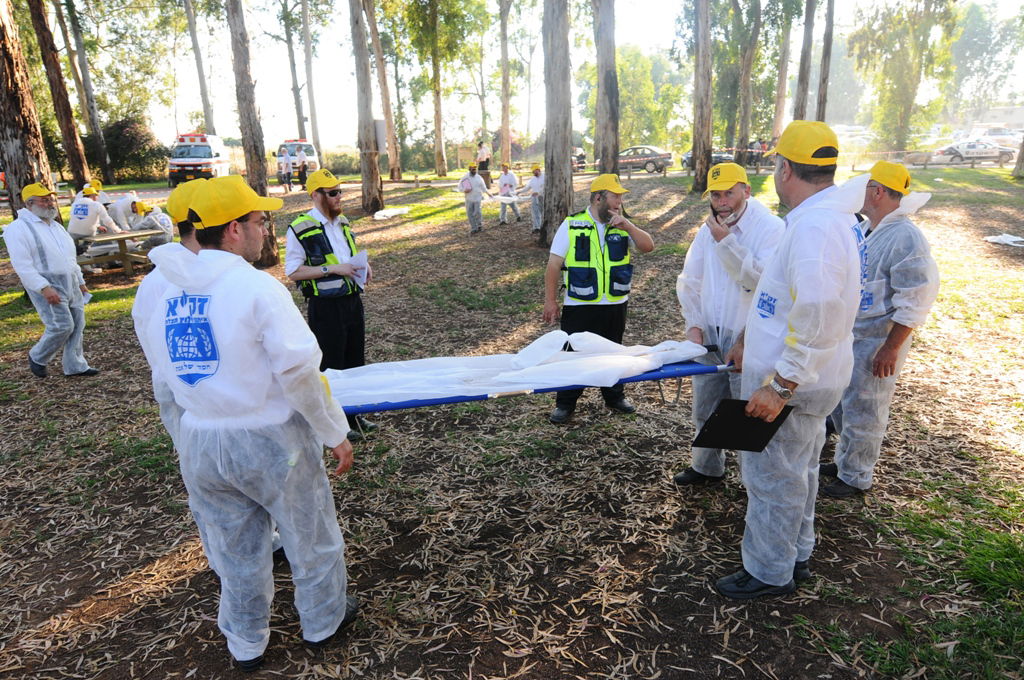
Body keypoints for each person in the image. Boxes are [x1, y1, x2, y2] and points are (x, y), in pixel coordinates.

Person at [133, 175, 359, 673]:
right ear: (233, 230)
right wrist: (333, 432)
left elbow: (162, 371)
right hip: (271, 439)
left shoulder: (160, 287)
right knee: (309, 533)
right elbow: (300, 372)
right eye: (260, 222)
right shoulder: (256, 286)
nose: (265, 231)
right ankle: (323, 623)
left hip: (202, 439)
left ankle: (245, 641)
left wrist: (188, 430)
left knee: (232, 549)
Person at [715, 121, 864, 599]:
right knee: (799, 470)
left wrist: (780, 385)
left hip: (792, 383)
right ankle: (795, 552)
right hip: (811, 378)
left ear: (783, 169)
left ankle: (768, 570)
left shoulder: (816, 225)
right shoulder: (829, 218)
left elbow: (817, 310)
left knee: (774, 477)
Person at [820, 161, 939, 498]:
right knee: (845, 403)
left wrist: (891, 347)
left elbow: (916, 295)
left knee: (866, 408)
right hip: (856, 335)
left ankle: (856, 476)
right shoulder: (871, 227)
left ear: (878, 191)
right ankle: (845, 462)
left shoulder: (905, 236)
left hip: (878, 340)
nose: (862, 194)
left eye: (866, 187)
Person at [674, 162, 784, 486]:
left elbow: (763, 284)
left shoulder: (769, 228)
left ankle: (758, 483)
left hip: (750, 335)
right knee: (705, 406)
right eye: (716, 195)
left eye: (729, 193)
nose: (722, 202)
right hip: (711, 332)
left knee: (750, 411)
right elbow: (690, 279)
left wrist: (726, 243)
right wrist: (694, 327)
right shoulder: (708, 229)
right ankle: (706, 468)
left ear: (746, 191)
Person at [543, 174, 655, 424]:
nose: (619, 202)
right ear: (597, 198)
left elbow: (648, 247)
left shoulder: (623, 225)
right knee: (572, 355)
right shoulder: (572, 224)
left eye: (621, 197)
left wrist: (629, 226)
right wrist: (550, 301)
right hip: (580, 306)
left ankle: (614, 396)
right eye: (615, 197)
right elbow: (553, 265)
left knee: (613, 353)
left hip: (615, 305)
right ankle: (566, 403)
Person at [285, 169, 377, 441]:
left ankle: (353, 416)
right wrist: (332, 269)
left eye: (340, 191)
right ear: (316, 195)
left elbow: (348, 255)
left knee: (354, 361)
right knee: (331, 365)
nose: (339, 197)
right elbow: (293, 271)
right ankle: (335, 425)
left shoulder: (343, 222)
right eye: (333, 192)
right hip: (325, 307)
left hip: (351, 301)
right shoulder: (300, 228)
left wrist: (364, 265)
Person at [4, 183, 99, 378]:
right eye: (44, 200)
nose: (49, 203)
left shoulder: (55, 226)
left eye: (50, 199)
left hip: (70, 281)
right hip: (48, 285)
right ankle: (37, 356)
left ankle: (75, 365)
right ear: (30, 203)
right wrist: (43, 288)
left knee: (78, 324)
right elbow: (23, 265)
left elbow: (70, 258)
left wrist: (80, 282)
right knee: (62, 326)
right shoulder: (18, 228)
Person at [460, 163, 492, 235]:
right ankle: (474, 228)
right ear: (469, 169)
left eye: (475, 169)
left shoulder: (479, 177)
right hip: (469, 198)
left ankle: (479, 225)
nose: (474, 170)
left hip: (477, 198)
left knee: (477, 212)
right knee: (470, 213)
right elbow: (460, 186)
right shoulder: (465, 177)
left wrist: (488, 193)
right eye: (473, 169)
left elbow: (483, 187)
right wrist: (464, 190)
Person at [519, 164, 544, 233]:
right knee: (535, 212)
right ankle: (536, 227)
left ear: (538, 170)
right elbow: (528, 187)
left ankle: (543, 226)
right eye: (532, 172)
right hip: (534, 197)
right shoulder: (533, 179)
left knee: (543, 212)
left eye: (534, 171)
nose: (533, 173)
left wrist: (539, 192)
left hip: (542, 197)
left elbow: (545, 187)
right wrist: (519, 192)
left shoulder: (544, 177)